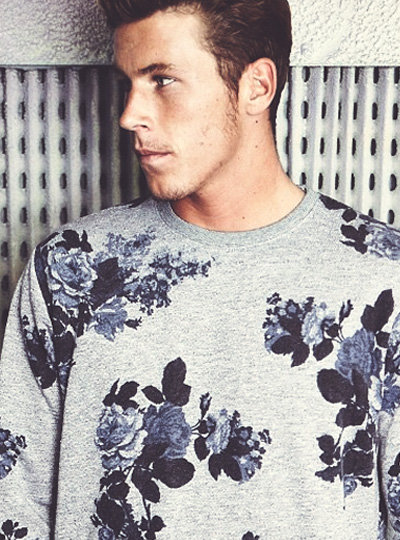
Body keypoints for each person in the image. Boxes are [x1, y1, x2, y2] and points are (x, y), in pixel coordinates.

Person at [1, 0, 400, 538]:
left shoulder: (381, 278)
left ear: (256, 86)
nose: (129, 115)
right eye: (128, 83)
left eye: (162, 80)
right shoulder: (71, 271)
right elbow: (13, 505)